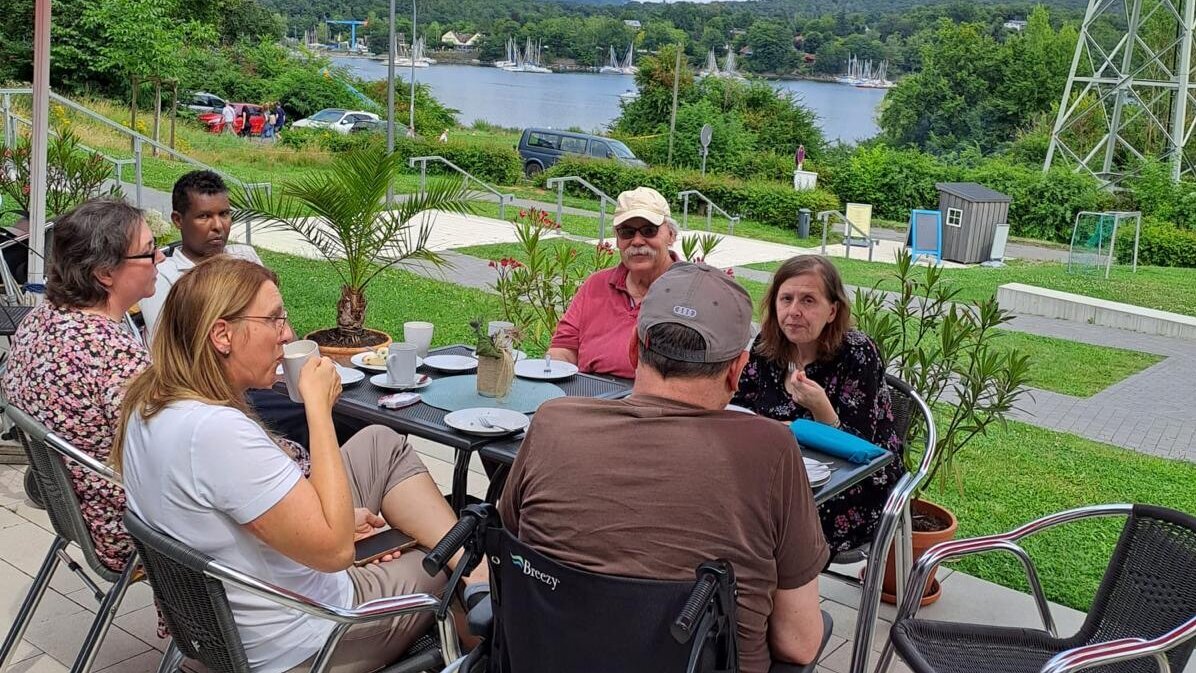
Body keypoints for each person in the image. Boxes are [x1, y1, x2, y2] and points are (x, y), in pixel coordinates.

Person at [114, 256, 474, 673]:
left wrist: (329, 519)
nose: (288, 335)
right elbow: (337, 551)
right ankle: (476, 591)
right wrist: (318, 410)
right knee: (440, 557)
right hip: (308, 639)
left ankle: (472, 565)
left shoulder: (150, 400)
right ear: (221, 334)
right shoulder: (216, 433)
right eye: (274, 320)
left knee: (380, 443)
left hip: (235, 619)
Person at [501, 262, 829, 672]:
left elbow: (507, 550)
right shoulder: (772, 450)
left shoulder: (552, 422)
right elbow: (798, 643)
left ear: (634, 348)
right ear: (736, 369)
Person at [2, 198, 164, 573]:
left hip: (78, 513)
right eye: (149, 252)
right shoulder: (110, 353)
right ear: (106, 273)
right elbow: (168, 456)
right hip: (126, 530)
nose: (160, 260)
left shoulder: (39, 319)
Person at [138, 170, 355, 448]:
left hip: (270, 378)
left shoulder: (244, 256)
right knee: (324, 416)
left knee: (350, 408)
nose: (218, 226)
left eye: (225, 214)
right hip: (222, 393)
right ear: (179, 221)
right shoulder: (164, 276)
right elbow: (177, 354)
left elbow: (278, 324)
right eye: (204, 216)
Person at [732, 255, 902, 554]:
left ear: (832, 311)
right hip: (778, 473)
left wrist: (822, 409)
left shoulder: (857, 353)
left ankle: (774, 594)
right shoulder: (766, 345)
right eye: (786, 299)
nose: (794, 311)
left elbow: (864, 451)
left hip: (853, 486)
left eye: (808, 300)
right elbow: (740, 408)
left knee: (767, 528)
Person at [546, 186, 678, 379]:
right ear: (617, 239)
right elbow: (563, 348)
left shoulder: (691, 291)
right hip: (590, 395)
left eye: (649, 230)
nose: (638, 241)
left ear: (671, 236)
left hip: (655, 403)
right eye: (627, 232)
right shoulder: (597, 285)